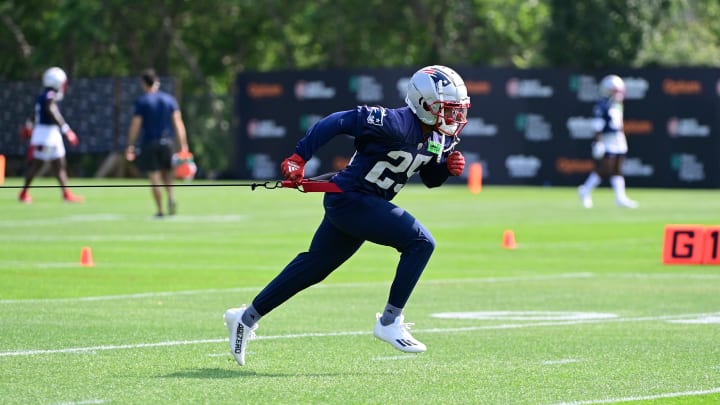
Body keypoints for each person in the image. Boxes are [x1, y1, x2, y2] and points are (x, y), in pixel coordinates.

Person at [224, 65, 471, 366]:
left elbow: (430, 178)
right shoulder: (393, 122)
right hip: (353, 200)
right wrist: (299, 156)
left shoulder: (439, 137)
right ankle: (390, 321)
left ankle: (245, 317)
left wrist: (445, 169)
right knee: (421, 242)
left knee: (313, 268)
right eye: (446, 109)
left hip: (359, 203)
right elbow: (338, 121)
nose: (454, 117)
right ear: (422, 103)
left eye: (457, 110)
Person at [125, 68, 189, 217]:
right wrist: (183, 146)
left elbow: (135, 125)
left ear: (143, 83)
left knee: (154, 177)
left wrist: (130, 145)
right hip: (167, 142)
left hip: (149, 142)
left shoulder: (143, 101)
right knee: (167, 174)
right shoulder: (169, 100)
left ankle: (160, 210)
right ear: (157, 82)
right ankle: (171, 197)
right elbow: (178, 124)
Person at [18, 67, 84, 204]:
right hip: (46, 134)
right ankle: (24, 193)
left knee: (59, 164)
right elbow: (51, 110)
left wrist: (28, 125)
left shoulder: (44, 95)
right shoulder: (50, 96)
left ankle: (66, 193)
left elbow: (35, 113)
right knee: (37, 165)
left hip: (51, 134)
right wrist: (66, 130)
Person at [578, 74, 638, 209]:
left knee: (618, 167)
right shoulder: (602, 105)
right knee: (605, 168)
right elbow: (597, 125)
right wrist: (597, 142)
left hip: (618, 138)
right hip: (607, 138)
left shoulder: (617, 104)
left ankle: (620, 197)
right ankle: (585, 190)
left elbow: (619, 123)